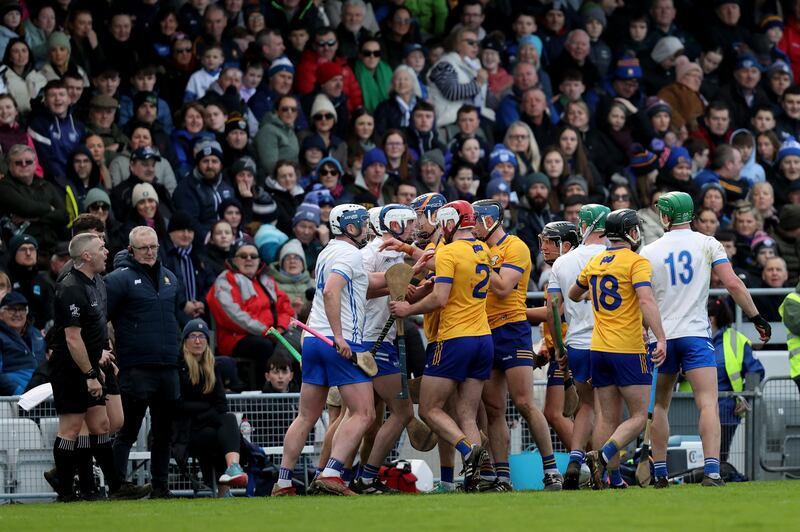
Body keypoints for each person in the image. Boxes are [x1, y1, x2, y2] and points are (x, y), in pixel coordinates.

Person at [640, 191, 771, 488]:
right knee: (708, 403)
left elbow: (644, 300)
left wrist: (647, 332)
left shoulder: (649, 251)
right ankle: (712, 471)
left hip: (663, 337)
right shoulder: (708, 243)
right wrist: (756, 317)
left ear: (666, 215)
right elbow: (733, 283)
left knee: (660, 406)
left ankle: (659, 473)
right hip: (696, 335)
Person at [273, 204, 383, 496]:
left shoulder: (327, 252)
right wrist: (339, 336)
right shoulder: (350, 254)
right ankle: (332, 473)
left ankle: (283, 482)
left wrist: (411, 274)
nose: (367, 228)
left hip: (314, 339)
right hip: (339, 341)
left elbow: (361, 283)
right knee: (364, 413)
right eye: (363, 223)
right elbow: (331, 290)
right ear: (350, 227)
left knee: (306, 416)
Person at [390, 200, 492, 492]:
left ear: (449, 222)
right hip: (483, 339)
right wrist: (412, 252)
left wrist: (408, 310)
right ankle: (474, 478)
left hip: (454, 339)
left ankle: (467, 451)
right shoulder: (482, 249)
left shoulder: (448, 251)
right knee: (467, 414)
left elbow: (439, 298)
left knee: (430, 409)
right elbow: (447, 265)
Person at [569, 208, 667, 490]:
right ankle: (602, 457)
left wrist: (594, 294)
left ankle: (611, 478)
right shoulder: (636, 262)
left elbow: (574, 294)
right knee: (639, 416)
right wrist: (661, 338)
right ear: (631, 232)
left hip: (598, 348)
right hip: (627, 348)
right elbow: (646, 300)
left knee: (607, 417)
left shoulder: (596, 261)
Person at [470, 200, 562, 491]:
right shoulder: (477, 248)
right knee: (494, 409)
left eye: (474, 222)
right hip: (484, 330)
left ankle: (551, 471)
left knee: (523, 402)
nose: (471, 228)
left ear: (488, 221)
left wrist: (480, 258)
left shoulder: (515, 247)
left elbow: (501, 287)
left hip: (512, 329)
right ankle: (503, 477)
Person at [106, 226, 182, 499]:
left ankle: (161, 487)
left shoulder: (170, 278)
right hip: (136, 367)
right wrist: (106, 350)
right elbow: (99, 318)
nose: (150, 252)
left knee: (163, 433)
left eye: (153, 247)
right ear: (131, 250)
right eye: (143, 248)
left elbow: (174, 318)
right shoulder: (118, 280)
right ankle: (117, 486)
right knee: (127, 431)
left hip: (167, 365)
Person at [349, 204, 417, 494]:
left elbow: (402, 292)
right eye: (407, 222)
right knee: (402, 412)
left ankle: (341, 476)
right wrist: (397, 284)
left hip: (380, 339)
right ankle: (362, 477)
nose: (413, 227)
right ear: (392, 223)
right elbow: (360, 289)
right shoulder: (372, 253)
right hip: (372, 340)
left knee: (369, 420)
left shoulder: (397, 252)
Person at [47, 233, 118, 502]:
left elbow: (95, 328)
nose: (106, 252)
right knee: (71, 428)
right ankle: (66, 493)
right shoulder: (70, 287)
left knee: (101, 423)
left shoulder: (96, 282)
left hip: (91, 363)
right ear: (86, 256)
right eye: (101, 248)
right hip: (69, 367)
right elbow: (73, 338)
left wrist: (104, 360)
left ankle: (116, 487)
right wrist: (90, 374)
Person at [548, 204, 609, 489]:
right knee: (606, 411)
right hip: (609, 341)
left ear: (584, 226)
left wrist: (558, 348)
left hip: (576, 343)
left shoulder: (562, 262)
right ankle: (603, 471)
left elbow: (552, 307)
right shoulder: (613, 255)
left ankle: (575, 459)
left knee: (585, 405)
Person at [679, 298, 764, 462]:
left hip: (725, 413)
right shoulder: (687, 339)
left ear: (710, 319)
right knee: (691, 460)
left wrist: (745, 397)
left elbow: (756, 371)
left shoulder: (736, 340)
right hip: (688, 411)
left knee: (718, 458)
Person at [173, 319, 248, 498]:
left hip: (207, 424)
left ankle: (233, 468)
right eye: (193, 336)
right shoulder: (178, 366)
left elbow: (222, 405)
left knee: (228, 420)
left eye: (202, 336)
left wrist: (203, 411)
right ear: (185, 341)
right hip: (185, 430)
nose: (197, 341)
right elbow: (178, 405)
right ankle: (225, 488)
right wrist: (208, 408)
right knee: (221, 434)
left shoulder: (213, 366)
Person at [206, 240, 294, 389]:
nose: (249, 259)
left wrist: (280, 328)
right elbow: (232, 315)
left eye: (253, 256)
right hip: (237, 337)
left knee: (297, 341)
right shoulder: (226, 279)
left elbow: (285, 307)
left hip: (272, 333)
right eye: (243, 256)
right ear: (234, 260)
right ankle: (263, 393)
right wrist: (267, 331)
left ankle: (293, 389)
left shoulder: (266, 280)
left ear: (259, 260)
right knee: (264, 346)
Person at [0, 292, 46, 396]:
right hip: (13, 398)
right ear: (1, 314)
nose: (17, 314)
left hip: (43, 395)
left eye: (21, 309)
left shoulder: (36, 334)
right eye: (12, 309)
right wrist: (19, 392)